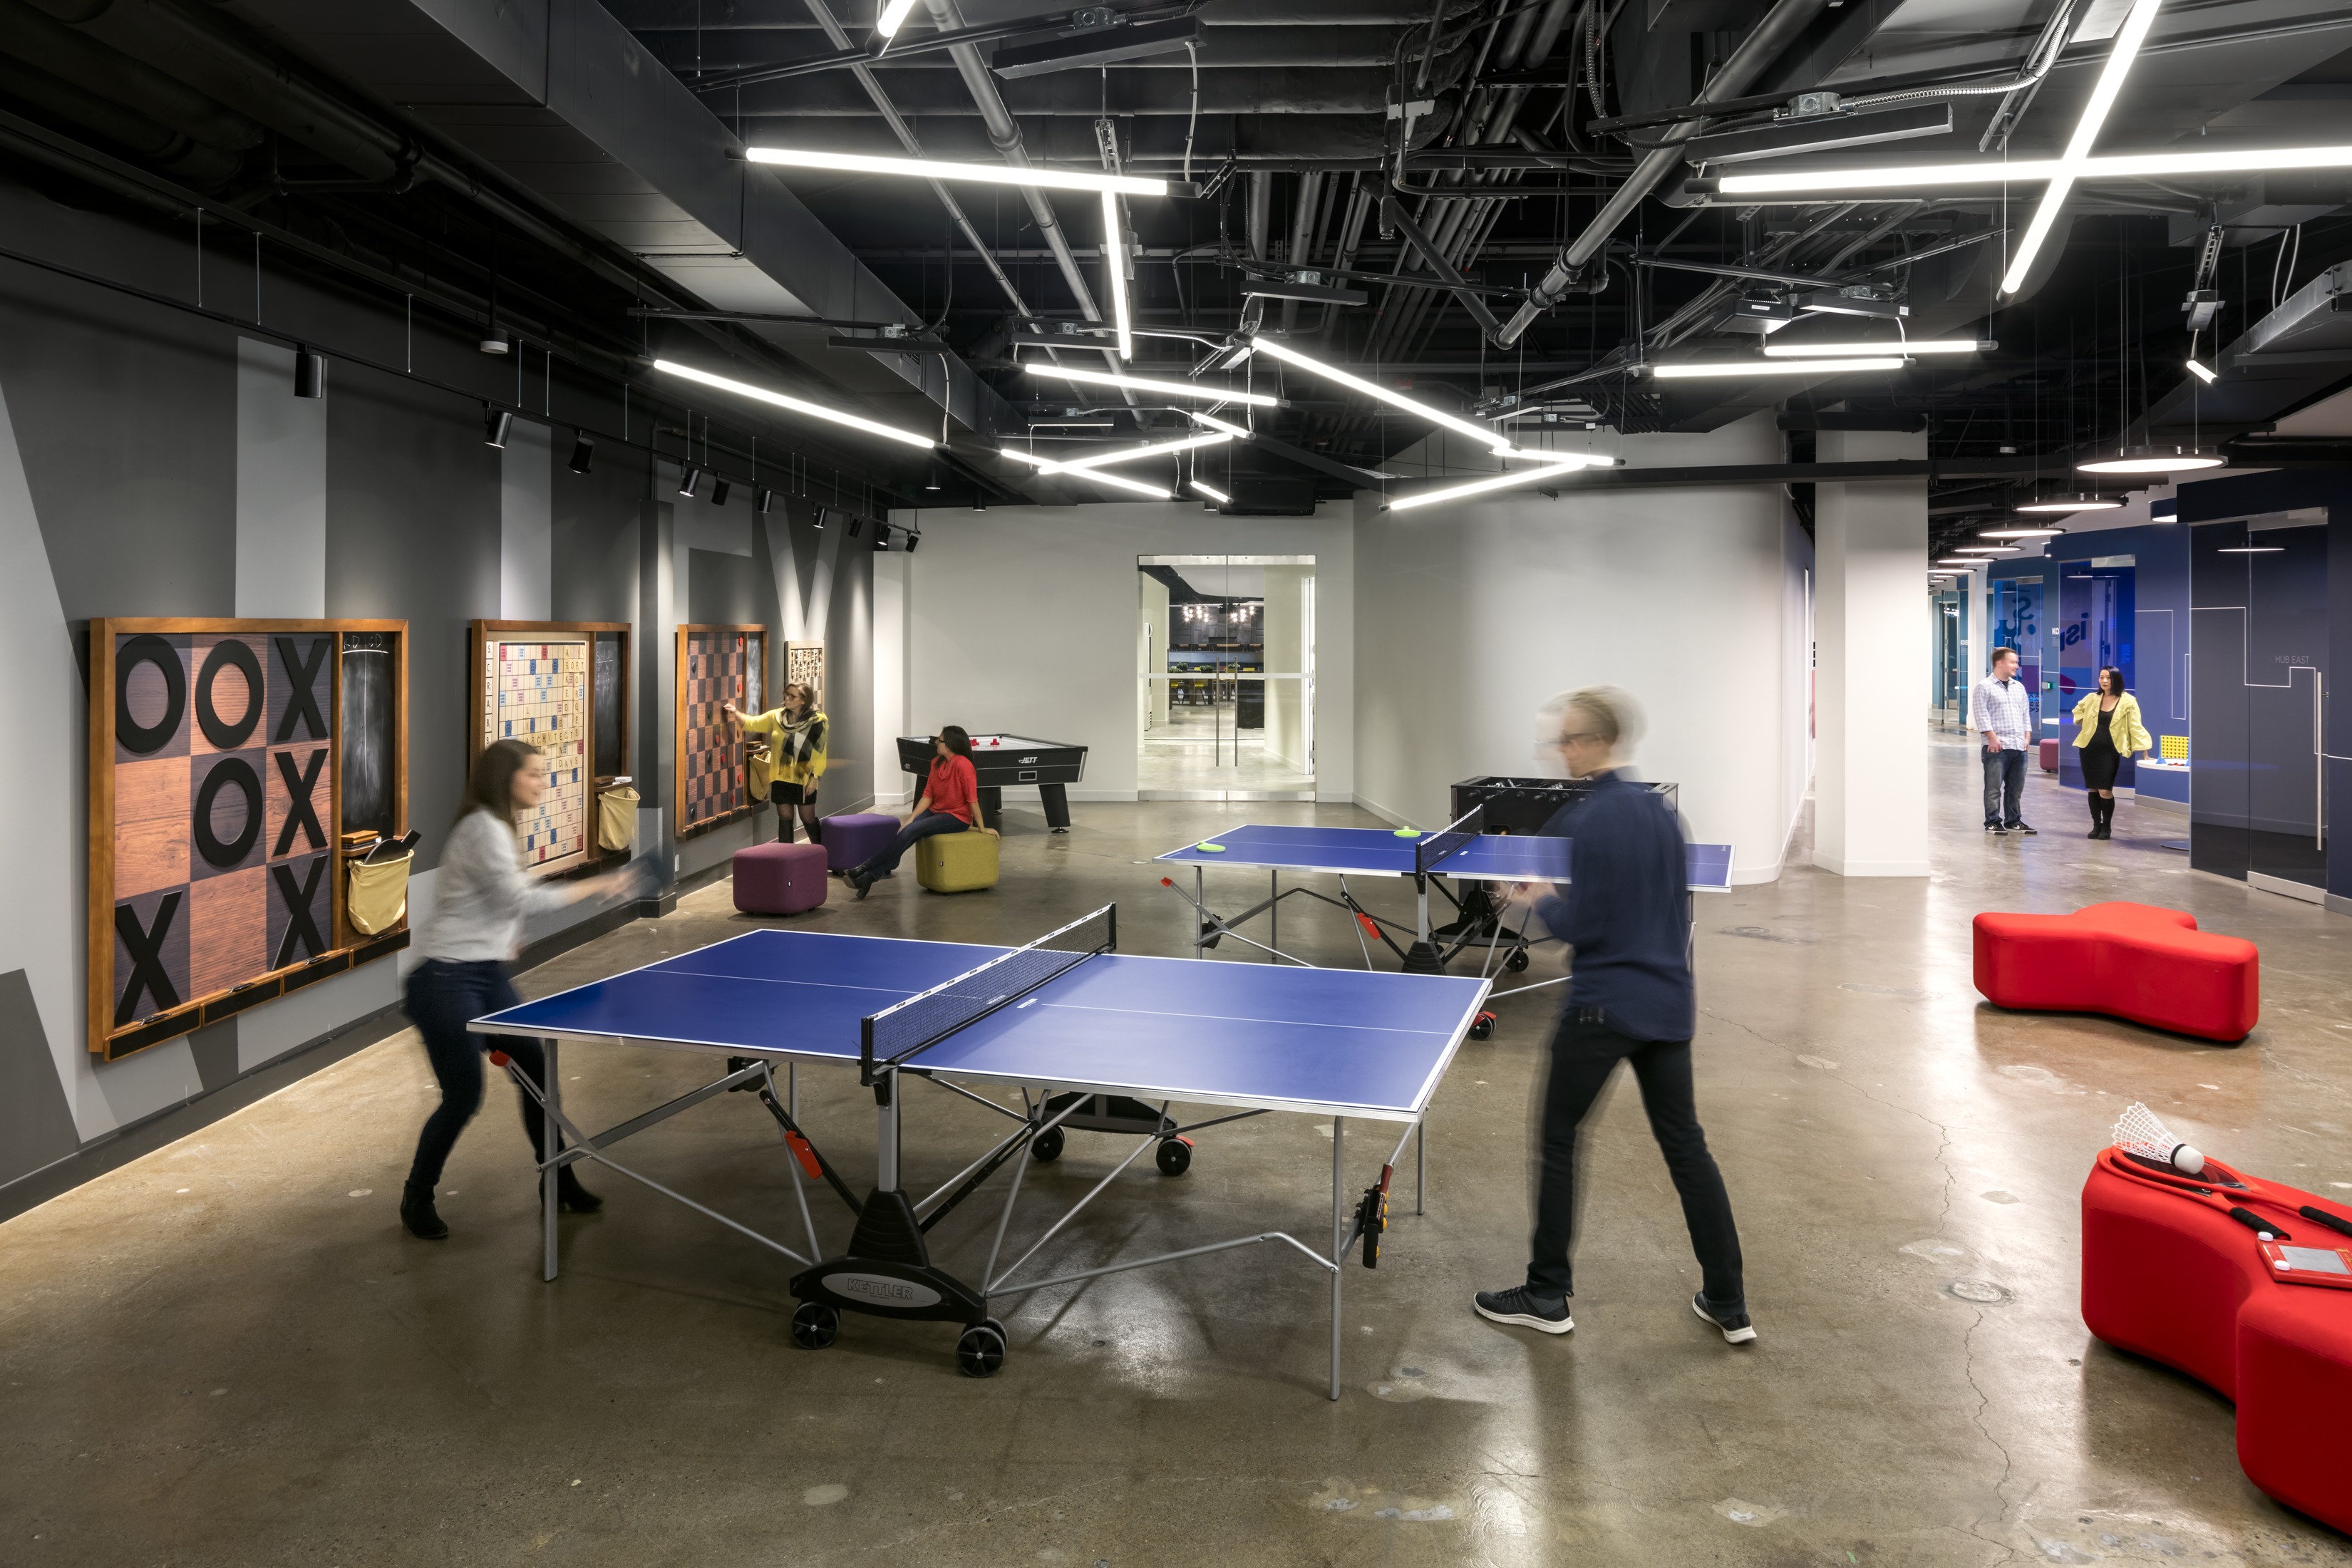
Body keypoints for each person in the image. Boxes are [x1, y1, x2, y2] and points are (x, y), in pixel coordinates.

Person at [1473, 688, 1753, 1346]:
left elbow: (1587, 925)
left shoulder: (1586, 820)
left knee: (1558, 1140)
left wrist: (1538, 897)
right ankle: (1728, 1300)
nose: (1561, 751)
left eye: (1568, 740)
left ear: (1594, 742)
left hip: (1603, 1007)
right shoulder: (1662, 814)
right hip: (1668, 1005)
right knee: (1688, 1151)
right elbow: (1656, 908)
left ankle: (1546, 1294)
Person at [398, 739, 647, 1241]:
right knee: (464, 1096)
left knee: (538, 1076)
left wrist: (505, 934)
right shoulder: (484, 829)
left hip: (484, 974)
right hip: (445, 980)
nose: (542, 783)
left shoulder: (500, 827)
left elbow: (494, 901)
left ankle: (558, 1177)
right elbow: (520, 898)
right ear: (504, 778)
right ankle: (417, 1196)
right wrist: (599, 885)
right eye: (534, 774)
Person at [845, 724, 998, 897]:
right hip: (936, 811)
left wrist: (982, 827)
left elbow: (972, 801)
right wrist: (911, 818)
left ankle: (865, 867)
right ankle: (868, 879)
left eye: (939, 741)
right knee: (905, 830)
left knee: (912, 831)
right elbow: (928, 795)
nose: (936, 743)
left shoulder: (964, 766)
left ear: (950, 745)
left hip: (956, 817)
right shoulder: (936, 763)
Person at [726, 681, 827, 847]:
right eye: (786, 695)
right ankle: (787, 861)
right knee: (785, 818)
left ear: (803, 700)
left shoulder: (817, 721)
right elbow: (753, 723)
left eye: (792, 696)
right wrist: (736, 713)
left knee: (807, 818)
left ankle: (827, 854)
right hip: (780, 777)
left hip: (804, 779)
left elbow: (820, 752)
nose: (787, 699)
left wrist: (815, 777)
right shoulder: (776, 717)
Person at [2071, 666, 2152, 840]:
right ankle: (2096, 825)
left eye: (2108, 678)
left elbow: (2136, 727)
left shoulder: (2128, 701)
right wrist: (2085, 722)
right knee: (2092, 788)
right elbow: (2077, 711)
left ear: (2116, 680)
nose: (2105, 681)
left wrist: (2144, 750)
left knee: (2105, 790)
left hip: (2110, 751)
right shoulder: (2093, 698)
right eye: (2102, 677)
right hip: (2088, 748)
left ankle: (2106, 826)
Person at [1969, 646, 2037, 836]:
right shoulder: (1984, 687)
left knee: (2016, 788)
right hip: (1996, 747)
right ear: (2000, 663)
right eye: (2013, 662)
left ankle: (2014, 821)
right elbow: (1981, 715)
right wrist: (1991, 738)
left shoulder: (2019, 687)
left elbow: (2025, 714)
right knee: (1993, 788)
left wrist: (2027, 737)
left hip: (2018, 746)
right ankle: (1992, 821)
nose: (2017, 665)